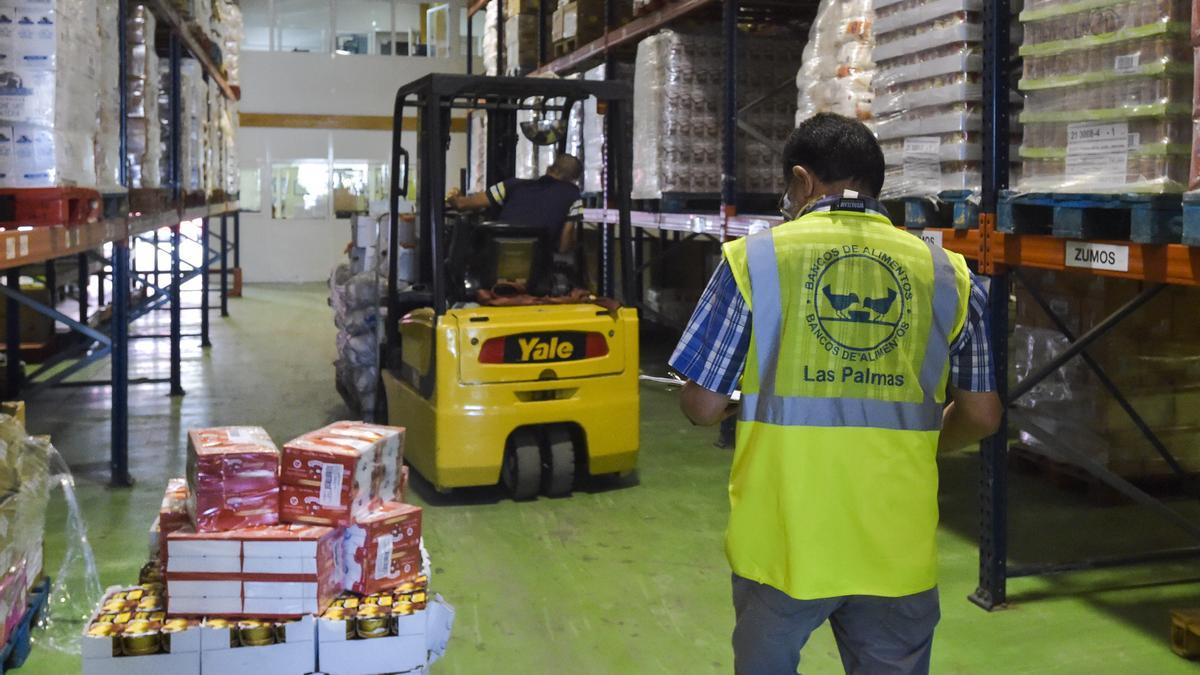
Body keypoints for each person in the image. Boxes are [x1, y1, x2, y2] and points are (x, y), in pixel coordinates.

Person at [668, 113, 1002, 674]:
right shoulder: (947, 273)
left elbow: (702, 405)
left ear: (802, 182)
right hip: (896, 548)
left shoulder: (757, 260)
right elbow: (983, 415)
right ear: (876, 185)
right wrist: (925, 442)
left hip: (783, 546)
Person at [447, 154, 585, 255]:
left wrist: (453, 197)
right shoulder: (573, 195)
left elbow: (461, 205)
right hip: (539, 264)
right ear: (574, 179)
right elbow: (564, 244)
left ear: (549, 169)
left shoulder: (512, 185)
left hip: (495, 257)